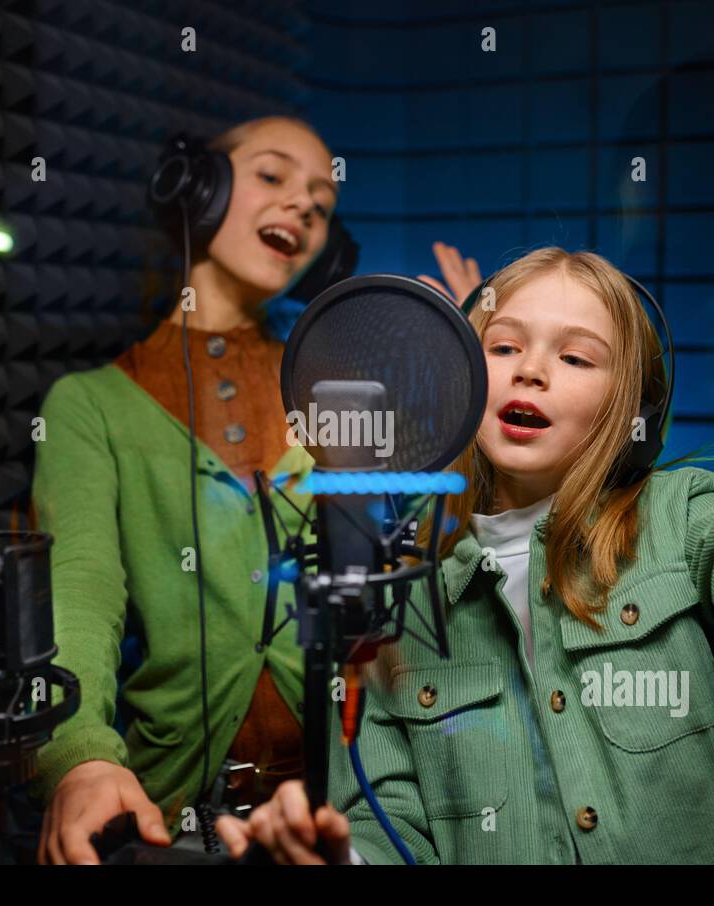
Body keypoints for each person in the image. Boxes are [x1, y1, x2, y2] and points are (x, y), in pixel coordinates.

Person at [216, 195, 714, 864]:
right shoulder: (398, 585)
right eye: (503, 346)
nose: (529, 369)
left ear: (631, 406)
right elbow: (385, 822)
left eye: (576, 359)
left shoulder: (684, 521)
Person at [31, 114, 482, 864]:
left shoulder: (344, 382)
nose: (303, 206)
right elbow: (78, 597)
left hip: (348, 812)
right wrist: (78, 756)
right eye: (273, 177)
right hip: (168, 812)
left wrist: (468, 383)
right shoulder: (91, 406)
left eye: (321, 203)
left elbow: (435, 558)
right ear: (196, 189)